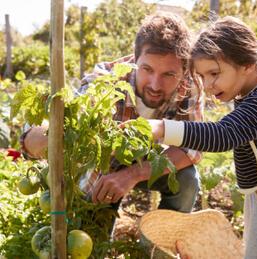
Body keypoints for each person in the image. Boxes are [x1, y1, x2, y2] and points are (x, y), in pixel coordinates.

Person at [20, 12, 204, 213]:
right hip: (105, 165)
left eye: (169, 74)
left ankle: (160, 241)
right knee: (92, 232)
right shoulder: (106, 82)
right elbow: (51, 132)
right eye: (147, 69)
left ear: (184, 69)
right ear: (135, 59)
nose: (155, 84)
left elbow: (192, 148)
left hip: (148, 161)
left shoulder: (189, 85)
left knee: (187, 180)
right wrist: (41, 137)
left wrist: (131, 175)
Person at [147, 16, 257, 259]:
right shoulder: (255, 93)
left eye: (214, 73)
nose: (206, 85)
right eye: (202, 76)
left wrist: (163, 129)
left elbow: (222, 135)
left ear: (247, 64)